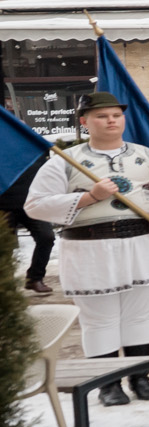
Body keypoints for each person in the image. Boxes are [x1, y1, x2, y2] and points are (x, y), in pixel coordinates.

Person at [24, 92, 149, 403]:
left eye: (116, 115)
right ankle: (107, 384)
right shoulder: (64, 161)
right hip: (89, 247)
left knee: (139, 315)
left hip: (142, 243)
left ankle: (140, 376)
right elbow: (35, 205)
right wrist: (88, 197)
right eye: (101, 116)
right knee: (100, 318)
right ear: (84, 121)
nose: (111, 121)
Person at [0, 115, 54, 294]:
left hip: (32, 204)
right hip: (3, 206)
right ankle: (6, 286)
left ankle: (35, 278)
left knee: (46, 237)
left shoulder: (35, 151)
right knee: (5, 247)